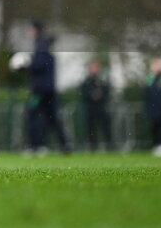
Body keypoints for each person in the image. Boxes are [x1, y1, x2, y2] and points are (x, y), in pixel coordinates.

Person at [26, 20, 71, 155]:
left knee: (32, 115)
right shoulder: (47, 44)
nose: (27, 32)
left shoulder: (40, 45)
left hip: (39, 91)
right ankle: (64, 145)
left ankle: (36, 146)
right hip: (50, 89)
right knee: (52, 118)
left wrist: (25, 65)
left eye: (29, 29)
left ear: (35, 30)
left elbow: (38, 66)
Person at [79, 59, 112, 150]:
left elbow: (107, 91)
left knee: (106, 127)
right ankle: (93, 146)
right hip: (90, 108)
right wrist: (91, 95)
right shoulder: (86, 81)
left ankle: (110, 145)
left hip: (101, 107)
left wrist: (101, 94)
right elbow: (83, 93)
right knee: (91, 128)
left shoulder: (102, 80)